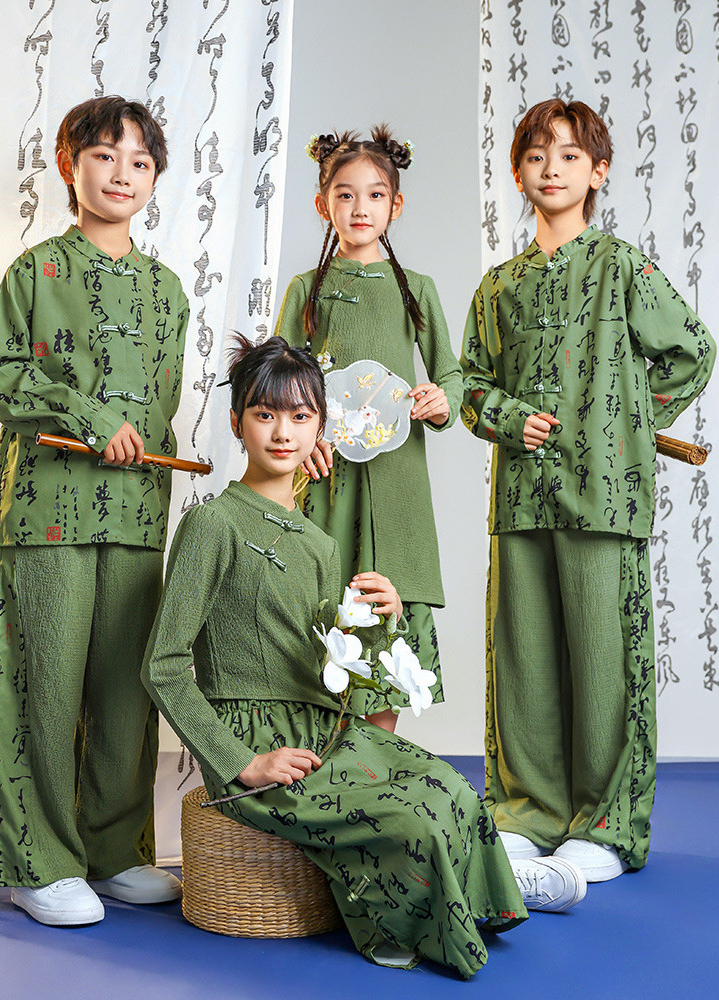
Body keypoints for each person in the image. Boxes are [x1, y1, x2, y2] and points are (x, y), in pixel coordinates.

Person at [142, 334, 586, 980]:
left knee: (452, 793)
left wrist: (383, 621)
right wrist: (243, 762)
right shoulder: (212, 525)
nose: (283, 432)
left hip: (328, 731)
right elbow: (160, 665)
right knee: (407, 822)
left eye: (300, 416)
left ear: (322, 426)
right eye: (265, 413)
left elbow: (339, 668)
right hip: (256, 740)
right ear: (238, 421)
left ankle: (498, 890)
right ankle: (425, 913)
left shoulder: (319, 543)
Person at [459, 98, 716, 882]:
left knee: (606, 664)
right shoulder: (498, 287)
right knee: (525, 661)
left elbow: (692, 352)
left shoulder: (621, 267)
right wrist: (505, 415)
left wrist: (629, 427)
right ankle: (526, 813)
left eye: (568, 156)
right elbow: (470, 385)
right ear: (516, 172)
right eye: (536, 156)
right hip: (521, 501)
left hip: (604, 498)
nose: (550, 169)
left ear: (597, 172)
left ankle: (605, 828)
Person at [0, 95, 189, 925]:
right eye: (105, 156)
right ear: (72, 165)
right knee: (45, 689)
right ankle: (38, 861)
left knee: (125, 693)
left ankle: (112, 850)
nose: (123, 174)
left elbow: (162, 405)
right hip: (47, 514)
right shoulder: (36, 271)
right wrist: (94, 421)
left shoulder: (167, 290)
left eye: (140, 162)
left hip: (136, 518)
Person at [274, 127, 463, 731]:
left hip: (397, 478)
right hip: (327, 474)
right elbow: (278, 383)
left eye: (375, 196)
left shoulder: (418, 292)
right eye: (345, 195)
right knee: (322, 607)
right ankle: (318, 771)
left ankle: (374, 771)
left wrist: (439, 401)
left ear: (395, 206)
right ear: (322, 203)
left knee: (387, 615)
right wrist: (303, 440)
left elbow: (453, 377)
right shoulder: (308, 289)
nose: (360, 209)